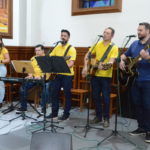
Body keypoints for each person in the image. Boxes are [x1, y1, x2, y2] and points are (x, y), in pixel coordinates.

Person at [120, 22, 150, 143]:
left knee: (148, 106)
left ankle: (149, 130)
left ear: (148, 31)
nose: (138, 32)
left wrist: (148, 58)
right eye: (138, 30)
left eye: (141, 30)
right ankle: (141, 127)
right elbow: (124, 55)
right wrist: (122, 61)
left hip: (148, 81)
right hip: (135, 80)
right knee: (137, 104)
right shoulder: (134, 44)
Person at [82, 27, 118, 127]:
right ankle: (98, 116)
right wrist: (85, 67)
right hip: (95, 75)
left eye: (108, 33)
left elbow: (111, 63)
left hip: (106, 77)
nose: (105, 34)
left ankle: (106, 118)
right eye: (104, 32)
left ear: (112, 36)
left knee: (106, 98)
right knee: (95, 97)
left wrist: (105, 65)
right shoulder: (97, 44)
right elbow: (87, 55)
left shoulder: (114, 47)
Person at [46, 29, 77, 121]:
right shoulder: (57, 47)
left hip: (67, 75)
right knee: (54, 93)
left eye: (65, 36)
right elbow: (51, 57)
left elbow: (71, 63)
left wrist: (61, 67)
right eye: (62, 35)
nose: (63, 37)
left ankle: (66, 114)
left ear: (68, 37)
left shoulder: (71, 49)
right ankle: (54, 113)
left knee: (67, 95)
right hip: (57, 75)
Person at [16, 44, 50, 113]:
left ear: (43, 51)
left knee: (46, 89)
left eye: (39, 50)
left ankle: (43, 107)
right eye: (36, 50)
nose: (37, 52)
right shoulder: (33, 58)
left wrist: (40, 77)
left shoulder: (47, 59)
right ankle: (23, 107)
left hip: (44, 79)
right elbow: (29, 69)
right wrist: (30, 75)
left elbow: (49, 72)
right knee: (22, 88)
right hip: (33, 78)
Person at [0, 36, 10, 108]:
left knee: (0, 85)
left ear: (0, 41)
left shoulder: (4, 49)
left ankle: (0, 101)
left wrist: (0, 61)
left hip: (1, 68)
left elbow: (8, 60)